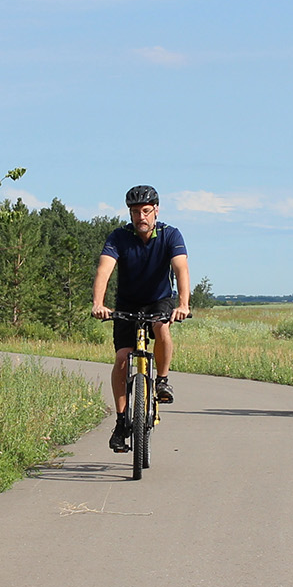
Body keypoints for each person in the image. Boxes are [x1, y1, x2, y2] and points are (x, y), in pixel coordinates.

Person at [92, 184, 191, 452]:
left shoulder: (170, 235)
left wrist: (183, 304)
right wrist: (98, 303)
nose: (141, 217)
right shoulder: (119, 237)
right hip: (127, 302)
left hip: (159, 300)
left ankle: (162, 380)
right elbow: (104, 269)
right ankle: (122, 421)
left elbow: (180, 268)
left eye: (146, 211)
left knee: (161, 328)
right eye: (135, 212)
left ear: (156, 210)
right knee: (123, 357)